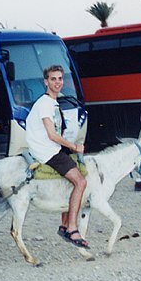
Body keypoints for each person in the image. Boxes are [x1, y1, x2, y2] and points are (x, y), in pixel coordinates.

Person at [25, 65, 89, 248]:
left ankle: (64, 224)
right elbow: (52, 135)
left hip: (51, 147)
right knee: (81, 182)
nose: (57, 82)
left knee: (75, 173)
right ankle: (72, 228)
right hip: (47, 151)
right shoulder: (45, 104)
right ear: (46, 82)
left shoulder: (52, 102)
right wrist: (75, 147)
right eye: (53, 79)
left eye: (60, 78)